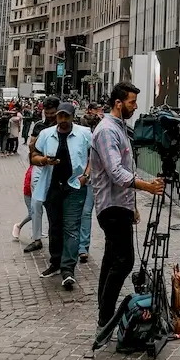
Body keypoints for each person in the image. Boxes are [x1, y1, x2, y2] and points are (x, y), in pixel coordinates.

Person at [90, 82, 164, 331]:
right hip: (110, 206)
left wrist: (132, 204)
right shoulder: (107, 130)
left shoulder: (119, 127)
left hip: (119, 205)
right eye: (132, 102)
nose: (135, 106)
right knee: (124, 261)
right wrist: (147, 187)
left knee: (111, 259)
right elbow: (116, 172)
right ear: (118, 103)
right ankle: (106, 317)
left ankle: (104, 313)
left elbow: (125, 169)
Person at [31, 102, 92, 290]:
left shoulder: (84, 133)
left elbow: (94, 156)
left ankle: (68, 270)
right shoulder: (46, 134)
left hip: (75, 187)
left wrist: (86, 176)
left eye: (67, 116)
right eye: (60, 116)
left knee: (71, 228)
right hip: (52, 187)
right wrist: (43, 160)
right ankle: (56, 262)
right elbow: (33, 156)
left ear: (73, 117)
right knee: (55, 227)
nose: (63, 120)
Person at [24, 97, 59, 252]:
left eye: (53, 112)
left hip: (57, 168)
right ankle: (37, 238)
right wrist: (41, 137)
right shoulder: (39, 126)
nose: (50, 115)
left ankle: (56, 238)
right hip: (40, 166)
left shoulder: (64, 124)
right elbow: (32, 148)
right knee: (36, 203)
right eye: (47, 112)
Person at [78, 104, 104, 262]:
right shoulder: (82, 134)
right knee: (84, 212)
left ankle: (83, 247)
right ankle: (81, 246)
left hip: (95, 179)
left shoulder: (101, 134)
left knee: (88, 212)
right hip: (84, 179)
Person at [12, 166, 34, 241]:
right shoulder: (32, 170)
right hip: (28, 195)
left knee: (38, 213)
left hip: (35, 194)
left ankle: (37, 232)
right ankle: (19, 226)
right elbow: (28, 185)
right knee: (32, 214)